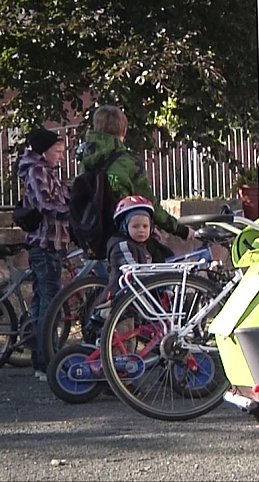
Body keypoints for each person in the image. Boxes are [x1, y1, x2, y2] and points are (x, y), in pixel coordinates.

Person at [79, 105, 194, 248]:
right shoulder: (128, 162)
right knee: (163, 256)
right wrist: (181, 230)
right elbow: (149, 203)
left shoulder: (86, 159)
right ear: (123, 130)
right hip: (123, 235)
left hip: (90, 234)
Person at [17, 127, 70, 381]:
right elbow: (44, 203)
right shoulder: (37, 171)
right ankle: (49, 361)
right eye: (58, 151)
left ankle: (41, 361)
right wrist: (70, 213)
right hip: (45, 244)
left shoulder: (47, 171)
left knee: (42, 304)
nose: (61, 156)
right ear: (45, 151)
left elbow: (64, 196)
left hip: (51, 243)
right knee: (51, 306)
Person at [104, 196, 154, 299]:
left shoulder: (142, 245)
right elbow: (133, 269)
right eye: (135, 226)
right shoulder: (122, 245)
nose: (141, 230)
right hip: (121, 296)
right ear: (124, 227)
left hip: (136, 293)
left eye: (145, 226)